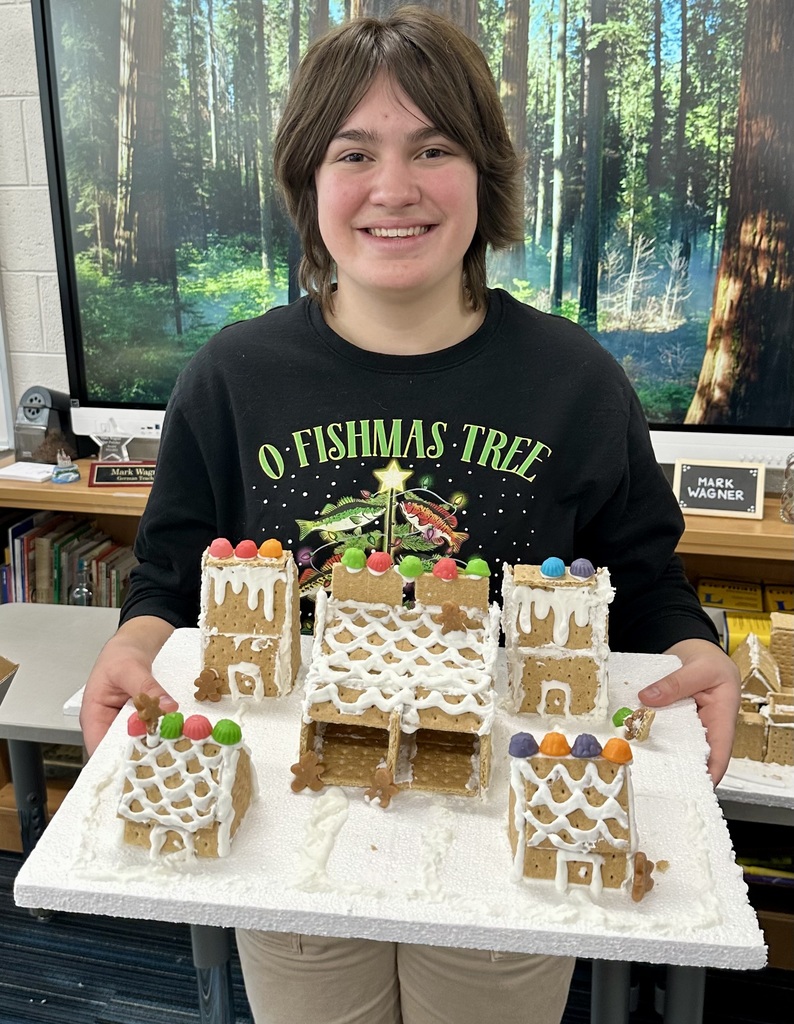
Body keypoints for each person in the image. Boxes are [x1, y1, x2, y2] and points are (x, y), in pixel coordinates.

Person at [80, 7, 740, 1023]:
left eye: (432, 147)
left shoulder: (574, 381)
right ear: (308, 182)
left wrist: (689, 648)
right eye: (354, 152)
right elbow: (171, 579)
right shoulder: (231, 377)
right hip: (291, 829)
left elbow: (642, 580)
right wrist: (134, 639)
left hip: (506, 826)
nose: (393, 187)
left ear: (484, 174)